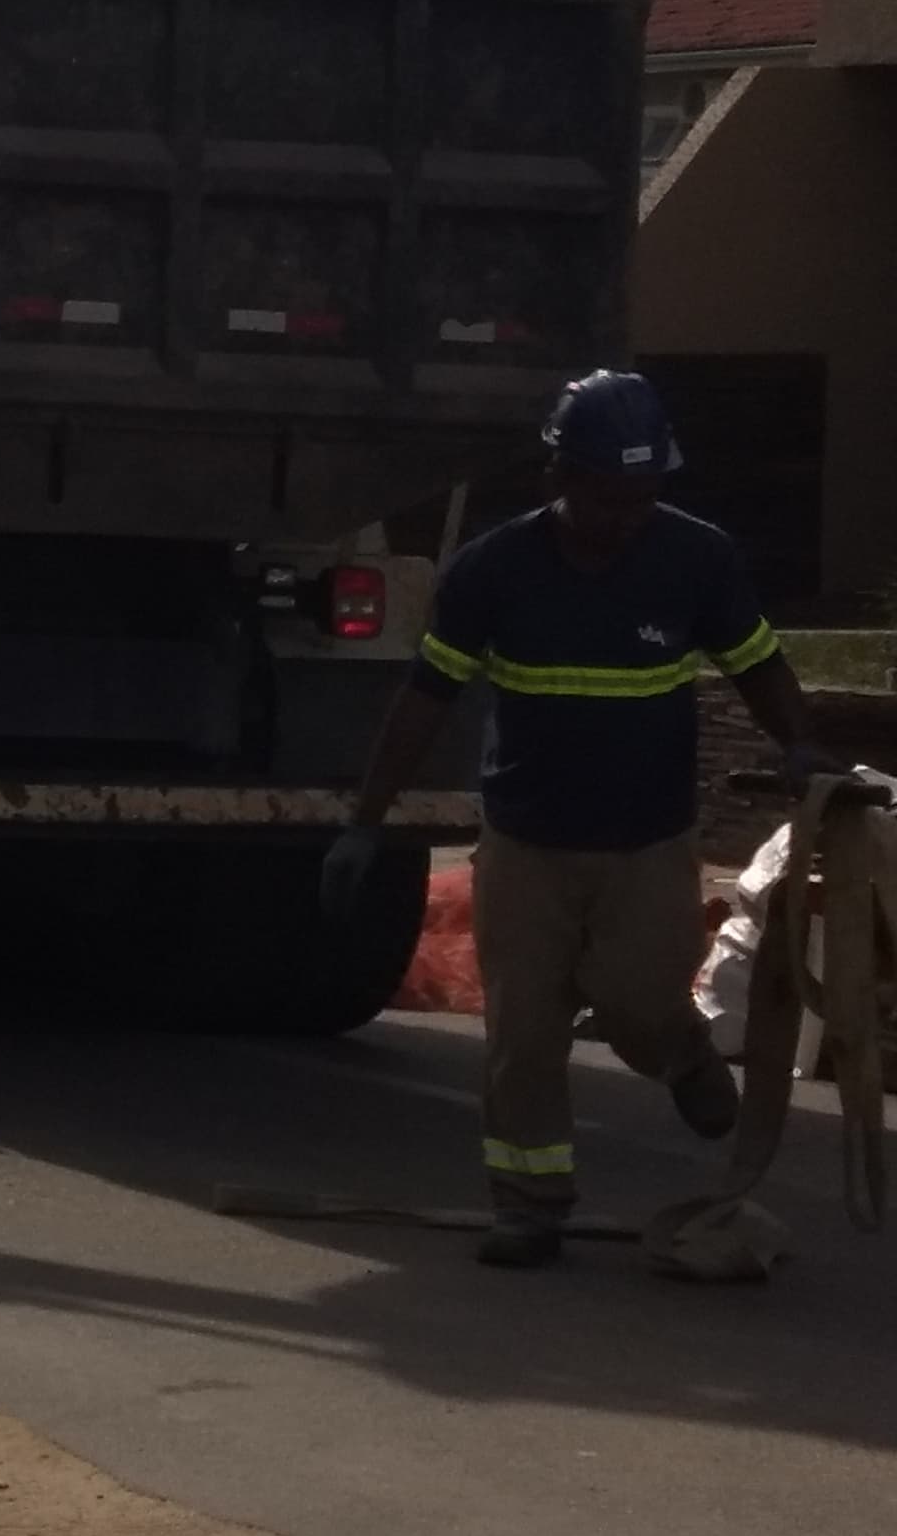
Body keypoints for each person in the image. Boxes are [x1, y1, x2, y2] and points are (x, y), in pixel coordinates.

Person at [334, 370, 819, 1270]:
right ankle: (529, 1206)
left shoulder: (696, 559)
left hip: (648, 841)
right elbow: (425, 698)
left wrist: (799, 747)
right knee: (524, 1032)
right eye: (606, 496)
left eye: (643, 496)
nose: (625, 517)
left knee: (640, 1004)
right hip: (528, 843)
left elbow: (758, 664)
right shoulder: (494, 571)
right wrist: (367, 820)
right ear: (558, 477)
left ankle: (680, 1053)